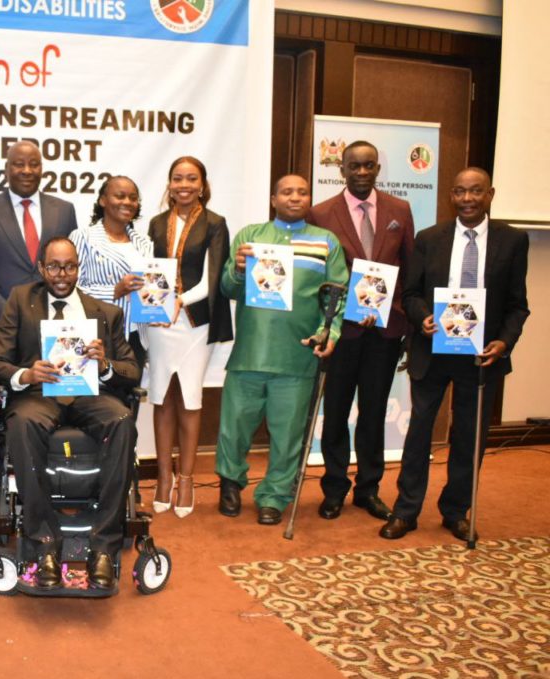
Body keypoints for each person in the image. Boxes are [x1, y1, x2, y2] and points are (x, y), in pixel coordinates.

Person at [379, 168, 529, 541]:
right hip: (433, 350)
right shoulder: (430, 238)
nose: (467, 199)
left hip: (481, 356)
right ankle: (406, 510)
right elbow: (410, 294)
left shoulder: (512, 241)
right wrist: (422, 318)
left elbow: (517, 305)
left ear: (490, 194)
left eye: (476, 191)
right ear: (451, 195)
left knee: (469, 436)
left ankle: (455, 511)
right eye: (460, 191)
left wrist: (505, 341)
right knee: (418, 434)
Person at [0, 237, 140, 590]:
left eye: (69, 266)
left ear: (78, 268)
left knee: (121, 420)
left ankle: (103, 547)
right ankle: (44, 545)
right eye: (54, 266)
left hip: (89, 394)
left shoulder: (105, 313)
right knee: (22, 423)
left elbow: (132, 371)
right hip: (39, 394)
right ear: (42, 267)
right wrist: (26, 374)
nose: (61, 274)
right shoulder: (20, 302)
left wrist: (104, 365)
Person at [215, 175, 349, 525]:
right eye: (287, 192)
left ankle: (274, 496)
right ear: (274, 198)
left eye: (302, 192)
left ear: (309, 198)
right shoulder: (250, 236)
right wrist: (238, 269)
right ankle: (230, 484)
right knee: (234, 428)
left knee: (288, 435)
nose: (295, 197)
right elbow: (228, 287)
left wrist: (328, 332)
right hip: (250, 353)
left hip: (297, 356)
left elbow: (338, 296)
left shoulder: (326, 243)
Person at [307, 140, 415, 522]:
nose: (363, 173)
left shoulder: (399, 210)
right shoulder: (320, 214)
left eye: (369, 166)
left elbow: (408, 268)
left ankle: (368, 490)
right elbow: (315, 277)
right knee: (335, 413)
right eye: (355, 166)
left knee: (373, 414)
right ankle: (334, 489)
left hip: (384, 333)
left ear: (378, 169)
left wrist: (397, 314)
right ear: (342, 170)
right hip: (341, 332)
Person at [0, 141, 78, 507]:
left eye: (34, 164)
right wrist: (13, 318)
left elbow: (69, 271)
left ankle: (49, 491)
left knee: (48, 412)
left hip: (55, 336)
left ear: (42, 167)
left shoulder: (64, 210)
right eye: (19, 164)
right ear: (7, 168)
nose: (27, 170)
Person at [145, 157, 233, 518]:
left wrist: (179, 300)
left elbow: (213, 277)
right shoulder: (154, 224)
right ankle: (163, 477)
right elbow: (148, 271)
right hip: (159, 323)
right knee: (162, 397)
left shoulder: (215, 223)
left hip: (195, 322)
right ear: (169, 184)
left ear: (202, 184)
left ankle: (186, 479)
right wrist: (156, 306)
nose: (184, 184)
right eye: (177, 178)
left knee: (190, 399)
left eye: (191, 178)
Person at [69, 175, 154, 365]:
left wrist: (159, 306)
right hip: (98, 333)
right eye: (120, 196)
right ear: (103, 200)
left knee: (130, 391)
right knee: (100, 394)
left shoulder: (144, 242)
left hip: (136, 335)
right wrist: (114, 291)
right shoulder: (83, 237)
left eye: (133, 198)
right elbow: (71, 288)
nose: (127, 202)